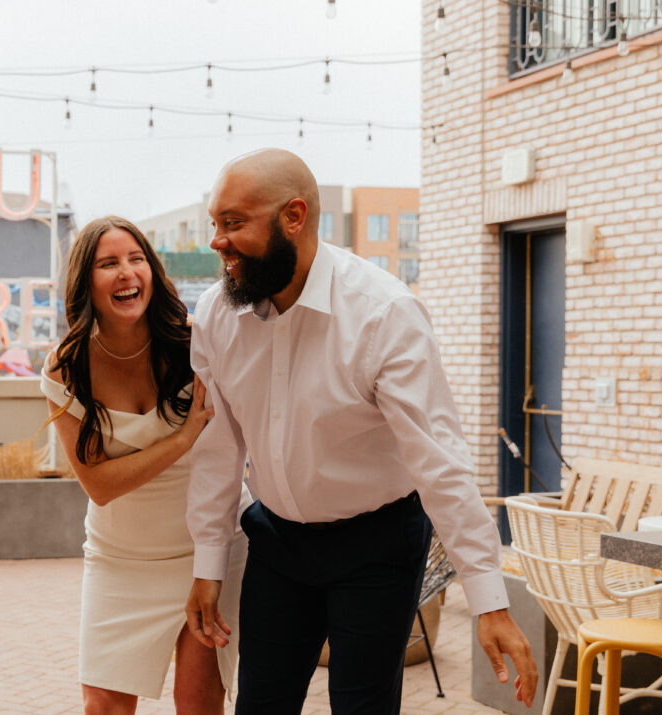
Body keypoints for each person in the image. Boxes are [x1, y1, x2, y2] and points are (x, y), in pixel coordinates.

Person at [183, 149, 538, 713]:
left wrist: (489, 600)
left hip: (377, 544)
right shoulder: (216, 316)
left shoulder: (384, 313)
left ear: (293, 217)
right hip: (276, 542)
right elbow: (217, 449)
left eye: (233, 223)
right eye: (215, 224)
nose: (216, 242)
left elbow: (438, 462)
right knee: (260, 704)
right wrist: (208, 564)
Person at [41, 216, 249, 715]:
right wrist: (183, 438)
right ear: (85, 281)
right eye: (108, 263)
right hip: (121, 560)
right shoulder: (65, 367)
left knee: (198, 705)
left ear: (152, 271)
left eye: (136, 259)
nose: (126, 273)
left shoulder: (193, 344)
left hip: (206, 551)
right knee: (103, 707)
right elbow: (99, 485)